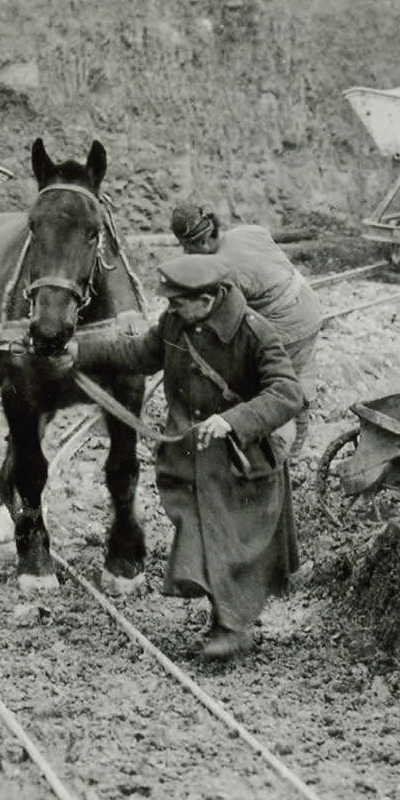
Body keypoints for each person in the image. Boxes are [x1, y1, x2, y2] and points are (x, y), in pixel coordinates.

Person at [72, 252, 305, 665]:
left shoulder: (255, 332)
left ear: (210, 297)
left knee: (233, 546)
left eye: (178, 301)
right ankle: (225, 622)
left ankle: (232, 630)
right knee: (204, 537)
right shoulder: (177, 323)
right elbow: (138, 355)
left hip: (243, 465)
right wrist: (80, 352)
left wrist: (234, 420)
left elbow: (287, 393)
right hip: (193, 463)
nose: (170, 308)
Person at [170, 201, 323, 379]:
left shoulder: (222, 270)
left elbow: (227, 328)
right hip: (310, 305)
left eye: (187, 247)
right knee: (300, 373)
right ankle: (304, 398)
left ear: (203, 242)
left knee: (256, 381)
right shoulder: (249, 231)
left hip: (288, 325)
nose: (186, 253)